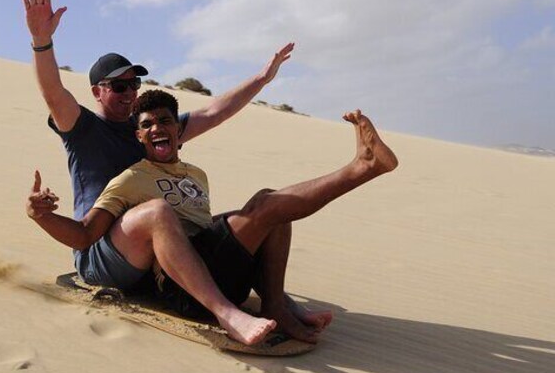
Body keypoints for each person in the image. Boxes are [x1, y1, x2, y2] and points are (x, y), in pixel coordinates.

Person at [23, 0, 296, 345]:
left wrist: (261, 79)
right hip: (100, 252)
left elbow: (216, 111)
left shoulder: (150, 130)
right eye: (118, 87)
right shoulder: (82, 127)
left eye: (134, 84)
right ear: (97, 92)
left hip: (151, 251)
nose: (129, 93)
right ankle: (226, 313)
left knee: (237, 220)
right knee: (158, 212)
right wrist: (42, 41)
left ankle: (278, 303)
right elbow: (53, 91)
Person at [28, 90, 398, 345]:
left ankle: (275, 304)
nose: (158, 127)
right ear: (139, 136)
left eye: (165, 120)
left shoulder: (195, 174)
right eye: (148, 124)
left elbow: (210, 232)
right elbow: (85, 235)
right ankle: (361, 168)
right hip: (182, 290)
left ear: (178, 130)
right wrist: (41, 216)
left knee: (272, 205)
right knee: (265, 207)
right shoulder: (130, 178)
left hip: (214, 268)